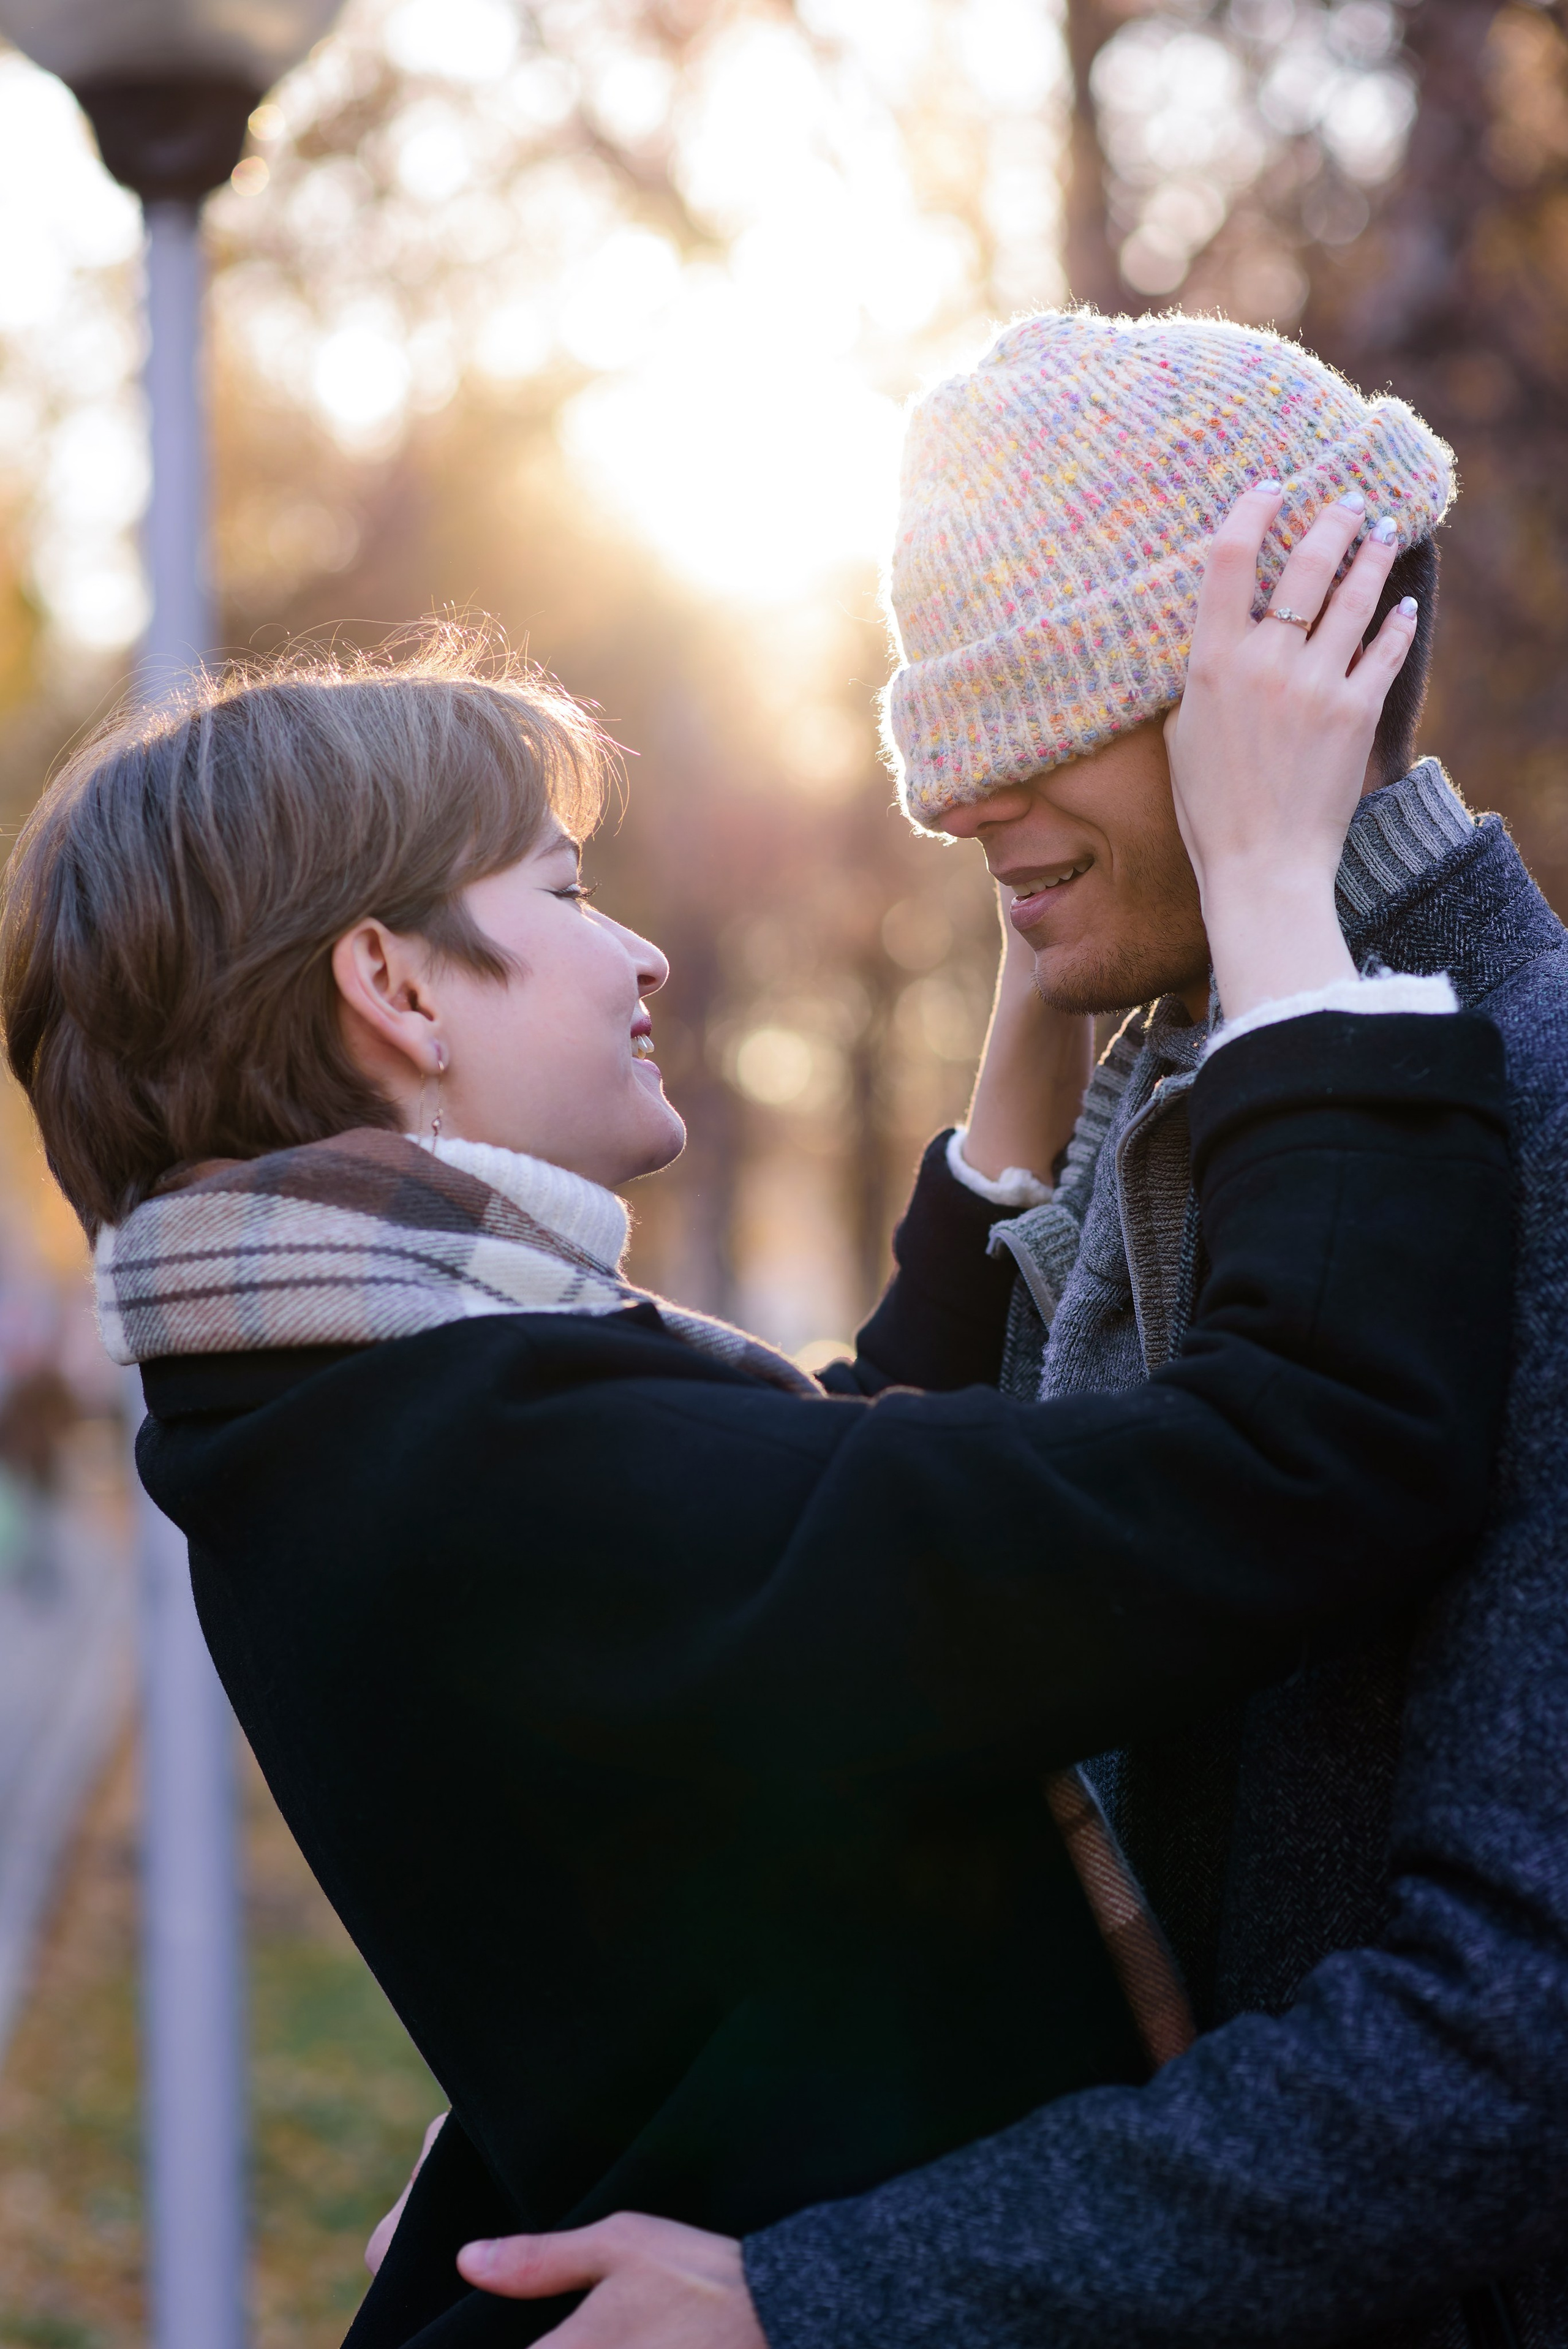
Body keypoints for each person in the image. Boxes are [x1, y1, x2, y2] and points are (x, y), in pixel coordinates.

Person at [0, 494, 1510, 2348]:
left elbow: (827, 1526)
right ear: (392, 986)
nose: (638, 956)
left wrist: (1024, 1032)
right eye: (562, 895)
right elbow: (1312, 1447)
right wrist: (1276, 893)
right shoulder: (496, 1464)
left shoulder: (319, 1407)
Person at [460, 317, 1568, 2349]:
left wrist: (821, 2301)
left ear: (1282, 686)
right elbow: (907, 1558)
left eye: (1036, 710)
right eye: (939, 733)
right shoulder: (1169, 1093)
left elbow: (1509, 2038)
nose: (956, 797)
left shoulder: (1538, 1108)